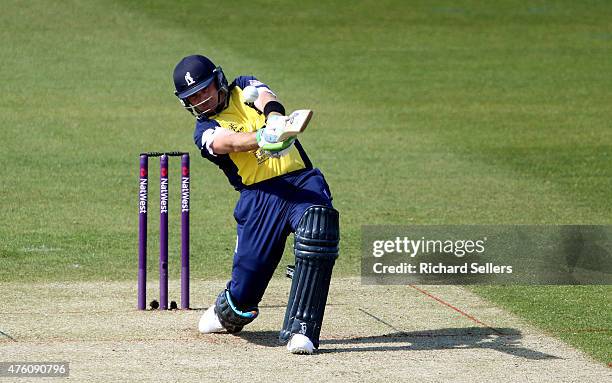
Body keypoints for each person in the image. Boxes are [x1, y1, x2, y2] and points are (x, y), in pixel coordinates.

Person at [172, 55, 340, 354]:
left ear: (218, 80)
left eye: (204, 89)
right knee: (243, 298)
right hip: (259, 199)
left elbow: (266, 97)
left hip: (301, 182)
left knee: (318, 228)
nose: (201, 99)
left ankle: (302, 330)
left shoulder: (243, 86)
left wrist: (275, 120)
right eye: (193, 96)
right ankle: (226, 311)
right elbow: (229, 143)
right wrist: (263, 136)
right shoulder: (204, 131)